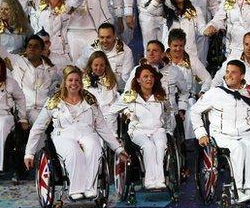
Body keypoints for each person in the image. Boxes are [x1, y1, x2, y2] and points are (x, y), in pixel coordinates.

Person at [24, 65, 128, 200]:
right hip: (63, 135)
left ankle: (90, 188)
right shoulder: (54, 101)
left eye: (77, 80)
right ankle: (75, 189)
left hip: (87, 132)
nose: (74, 83)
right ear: (65, 82)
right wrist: (29, 153)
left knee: (95, 147)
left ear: (81, 82)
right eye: (70, 80)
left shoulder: (90, 100)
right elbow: (38, 127)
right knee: (74, 151)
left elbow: (102, 127)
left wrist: (118, 149)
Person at [190, 60, 250, 203]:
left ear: (242, 76)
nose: (229, 75)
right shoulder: (215, 93)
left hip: (245, 133)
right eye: (227, 72)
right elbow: (194, 111)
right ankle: (236, 189)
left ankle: (249, 188)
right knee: (237, 148)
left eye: (233, 72)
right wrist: (201, 133)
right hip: (222, 134)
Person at [106, 64, 173, 189]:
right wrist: (113, 133)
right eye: (145, 76)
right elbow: (111, 112)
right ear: (138, 79)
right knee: (148, 147)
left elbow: (168, 114)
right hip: (138, 131)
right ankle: (149, 180)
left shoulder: (161, 96)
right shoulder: (130, 96)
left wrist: (169, 131)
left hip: (158, 130)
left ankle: (160, 180)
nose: (149, 79)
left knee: (160, 146)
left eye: (151, 76)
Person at [0, 34, 58, 124]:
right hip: (24, 108)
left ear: (42, 50)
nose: (32, 48)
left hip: (45, 108)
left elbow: (53, 90)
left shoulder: (51, 69)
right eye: (29, 46)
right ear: (26, 49)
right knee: (38, 120)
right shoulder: (16, 61)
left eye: (36, 46)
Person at [83, 51, 120, 117]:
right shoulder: (84, 82)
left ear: (106, 65)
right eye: (96, 65)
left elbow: (114, 101)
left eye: (102, 65)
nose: (99, 68)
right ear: (91, 65)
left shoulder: (111, 80)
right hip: (90, 116)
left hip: (109, 117)